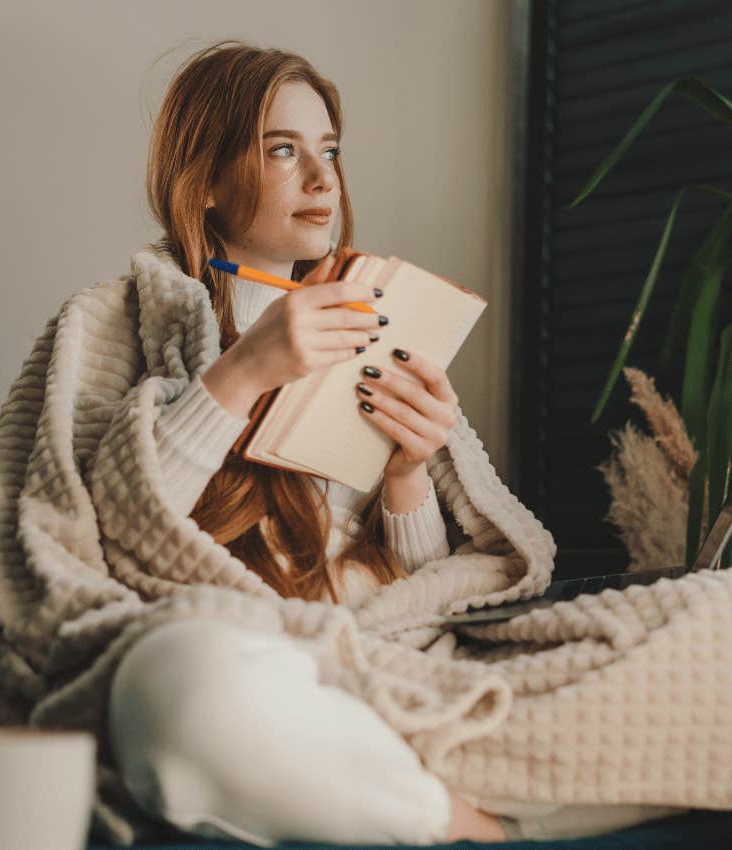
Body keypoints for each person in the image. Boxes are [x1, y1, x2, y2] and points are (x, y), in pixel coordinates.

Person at [107, 40, 685, 846]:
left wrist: (410, 473)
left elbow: (419, 596)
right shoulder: (120, 327)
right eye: (283, 151)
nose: (323, 181)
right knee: (172, 687)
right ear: (202, 181)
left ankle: (430, 798)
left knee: (709, 620)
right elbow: (104, 534)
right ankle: (474, 825)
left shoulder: (372, 323)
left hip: (404, 664)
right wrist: (240, 375)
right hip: (271, 670)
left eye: (330, 151)